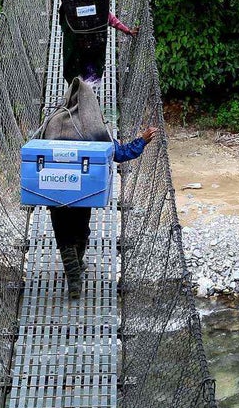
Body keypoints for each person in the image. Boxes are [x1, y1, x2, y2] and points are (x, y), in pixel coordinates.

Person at [36, 77, 160, 295]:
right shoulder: (92, 125)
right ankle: (76, 269)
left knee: (63, 234)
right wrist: (142, 140)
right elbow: (119, 154)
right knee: (81, 230)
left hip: (54, 192)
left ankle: (74, 278)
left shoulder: (52, 122)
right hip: (83, 191)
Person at [51, 0, 137, 86]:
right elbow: (109, 18)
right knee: (88, 78)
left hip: (74, 50)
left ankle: (76, 94)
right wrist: (127, 30)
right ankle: (85, 94)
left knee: (75, 76)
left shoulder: (69, 8)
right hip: (93, 48)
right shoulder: (97, 5)